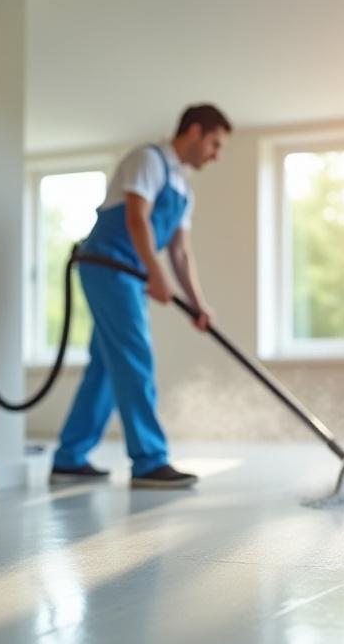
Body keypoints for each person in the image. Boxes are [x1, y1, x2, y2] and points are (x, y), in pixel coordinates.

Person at [52, 104, 230, 488]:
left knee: (105, 365)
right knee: (134, 356)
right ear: (195, 131)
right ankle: (149, 460)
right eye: (215, 144)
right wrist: (155, 272)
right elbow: (136, 218)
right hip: (109, 267)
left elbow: (181, 252)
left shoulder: (184, 188)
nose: (217, 155)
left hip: (130, 274)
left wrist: (198, 304)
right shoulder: (146, 160)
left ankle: (69, 457)